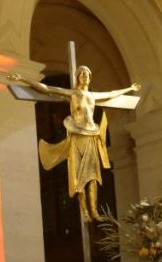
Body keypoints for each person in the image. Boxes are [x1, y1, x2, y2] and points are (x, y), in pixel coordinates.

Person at [8, 66, 140, 221]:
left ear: (90, 77)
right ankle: (84, 212)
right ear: (77, 77)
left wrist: (130, 88)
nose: (84, 76)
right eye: (81, 74)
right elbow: (47, 89)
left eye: (87, 74)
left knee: (93, 176)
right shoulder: (73, 94)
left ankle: (94, 211)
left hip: (91, 135)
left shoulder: (93, 96)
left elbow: (111, 94)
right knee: (79, 177)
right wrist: (22, 79)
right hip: (77, 136)